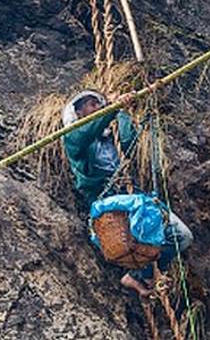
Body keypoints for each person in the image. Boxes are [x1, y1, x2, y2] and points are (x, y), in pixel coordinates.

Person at [63, 89, 194, 297]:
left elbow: (129, 143)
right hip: (106, 202)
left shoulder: (109, 136)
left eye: (99, 103)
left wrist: (122, 111)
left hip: (132, 198)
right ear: (78, 112)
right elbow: (84, 134)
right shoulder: (72, 137)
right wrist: (112, 109)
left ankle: (139, 275)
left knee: (183, 237)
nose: (97, 107)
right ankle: (145, 275)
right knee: (134, 236)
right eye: (91, 104)